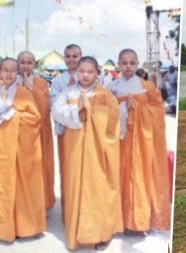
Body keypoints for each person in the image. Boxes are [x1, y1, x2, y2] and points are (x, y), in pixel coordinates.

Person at [51, 56, 123, 250]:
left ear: (97, 72)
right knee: (74, 184)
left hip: (98, 150)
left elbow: (113, 122)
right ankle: (75, 226)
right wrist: (78, 109)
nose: (85, 75)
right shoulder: (68, 92)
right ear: (77, 72)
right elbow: (56, 111)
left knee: (97, 187)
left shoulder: (105, 95)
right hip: (73, 148)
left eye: (90, 71)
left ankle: (100, 232)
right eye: (81, 71)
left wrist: (93, 112)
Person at [0, 58, 46, 241]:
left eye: (12, 70)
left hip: (19, 148)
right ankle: (1, 226)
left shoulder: (24, 93)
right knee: (1, 183)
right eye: (5, 70)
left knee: (22, 184)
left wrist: (10, 114)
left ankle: (25, 226)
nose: (8, 73)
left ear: (17, 73)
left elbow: (34, 119)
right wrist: (3, 105)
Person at [109, 49, 171, 235]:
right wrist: (120, 106)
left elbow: (158, 111)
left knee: (141, 177)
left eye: (132, 63)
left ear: (137, 64)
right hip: (120, 139)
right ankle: (120, 220)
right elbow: (104, 111)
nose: (128, 66)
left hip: (142, 140)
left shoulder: (148, 87)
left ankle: (140, 222)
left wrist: (138, 108)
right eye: (124, 63)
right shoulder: (112, 87)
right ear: (118, 65)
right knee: (121, 175)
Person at [17, 50, 55, 211]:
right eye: (22, 62)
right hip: (17, 131)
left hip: (38, 131)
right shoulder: (11, 80)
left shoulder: (41, 83)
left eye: (29, 62)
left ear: (34, 64)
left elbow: (46, 106)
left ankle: (41, 202)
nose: (25, 66)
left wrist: (31, 89)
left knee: (38, 166)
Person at [49, 43, 82, 223]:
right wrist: (66, 89)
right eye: (68, 57)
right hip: (66, 131)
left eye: (75, 56)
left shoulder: (88, 75)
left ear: (80, 56)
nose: (71, 60)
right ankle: (69, 210)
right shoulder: (58, 80)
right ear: (64, 58)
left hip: (85, 133)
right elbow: (53, 104)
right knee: (68, 170)